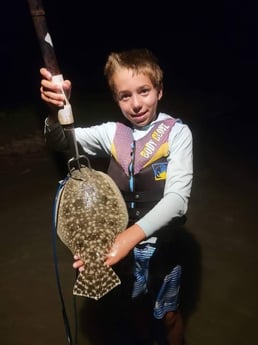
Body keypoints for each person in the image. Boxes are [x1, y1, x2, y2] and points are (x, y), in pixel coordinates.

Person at [40, 48, 193, 345]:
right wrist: (56, 107)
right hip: (115, 245)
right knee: (135, 309)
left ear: (159, 91)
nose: (136, 103)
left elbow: (177, 201)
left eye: (144, 91)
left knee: (168, 314)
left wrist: (126, 240)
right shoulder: (113, 134)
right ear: (116, 99)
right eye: (125, 95)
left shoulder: (177, 133)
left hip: (163, 246)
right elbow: (59, 141)